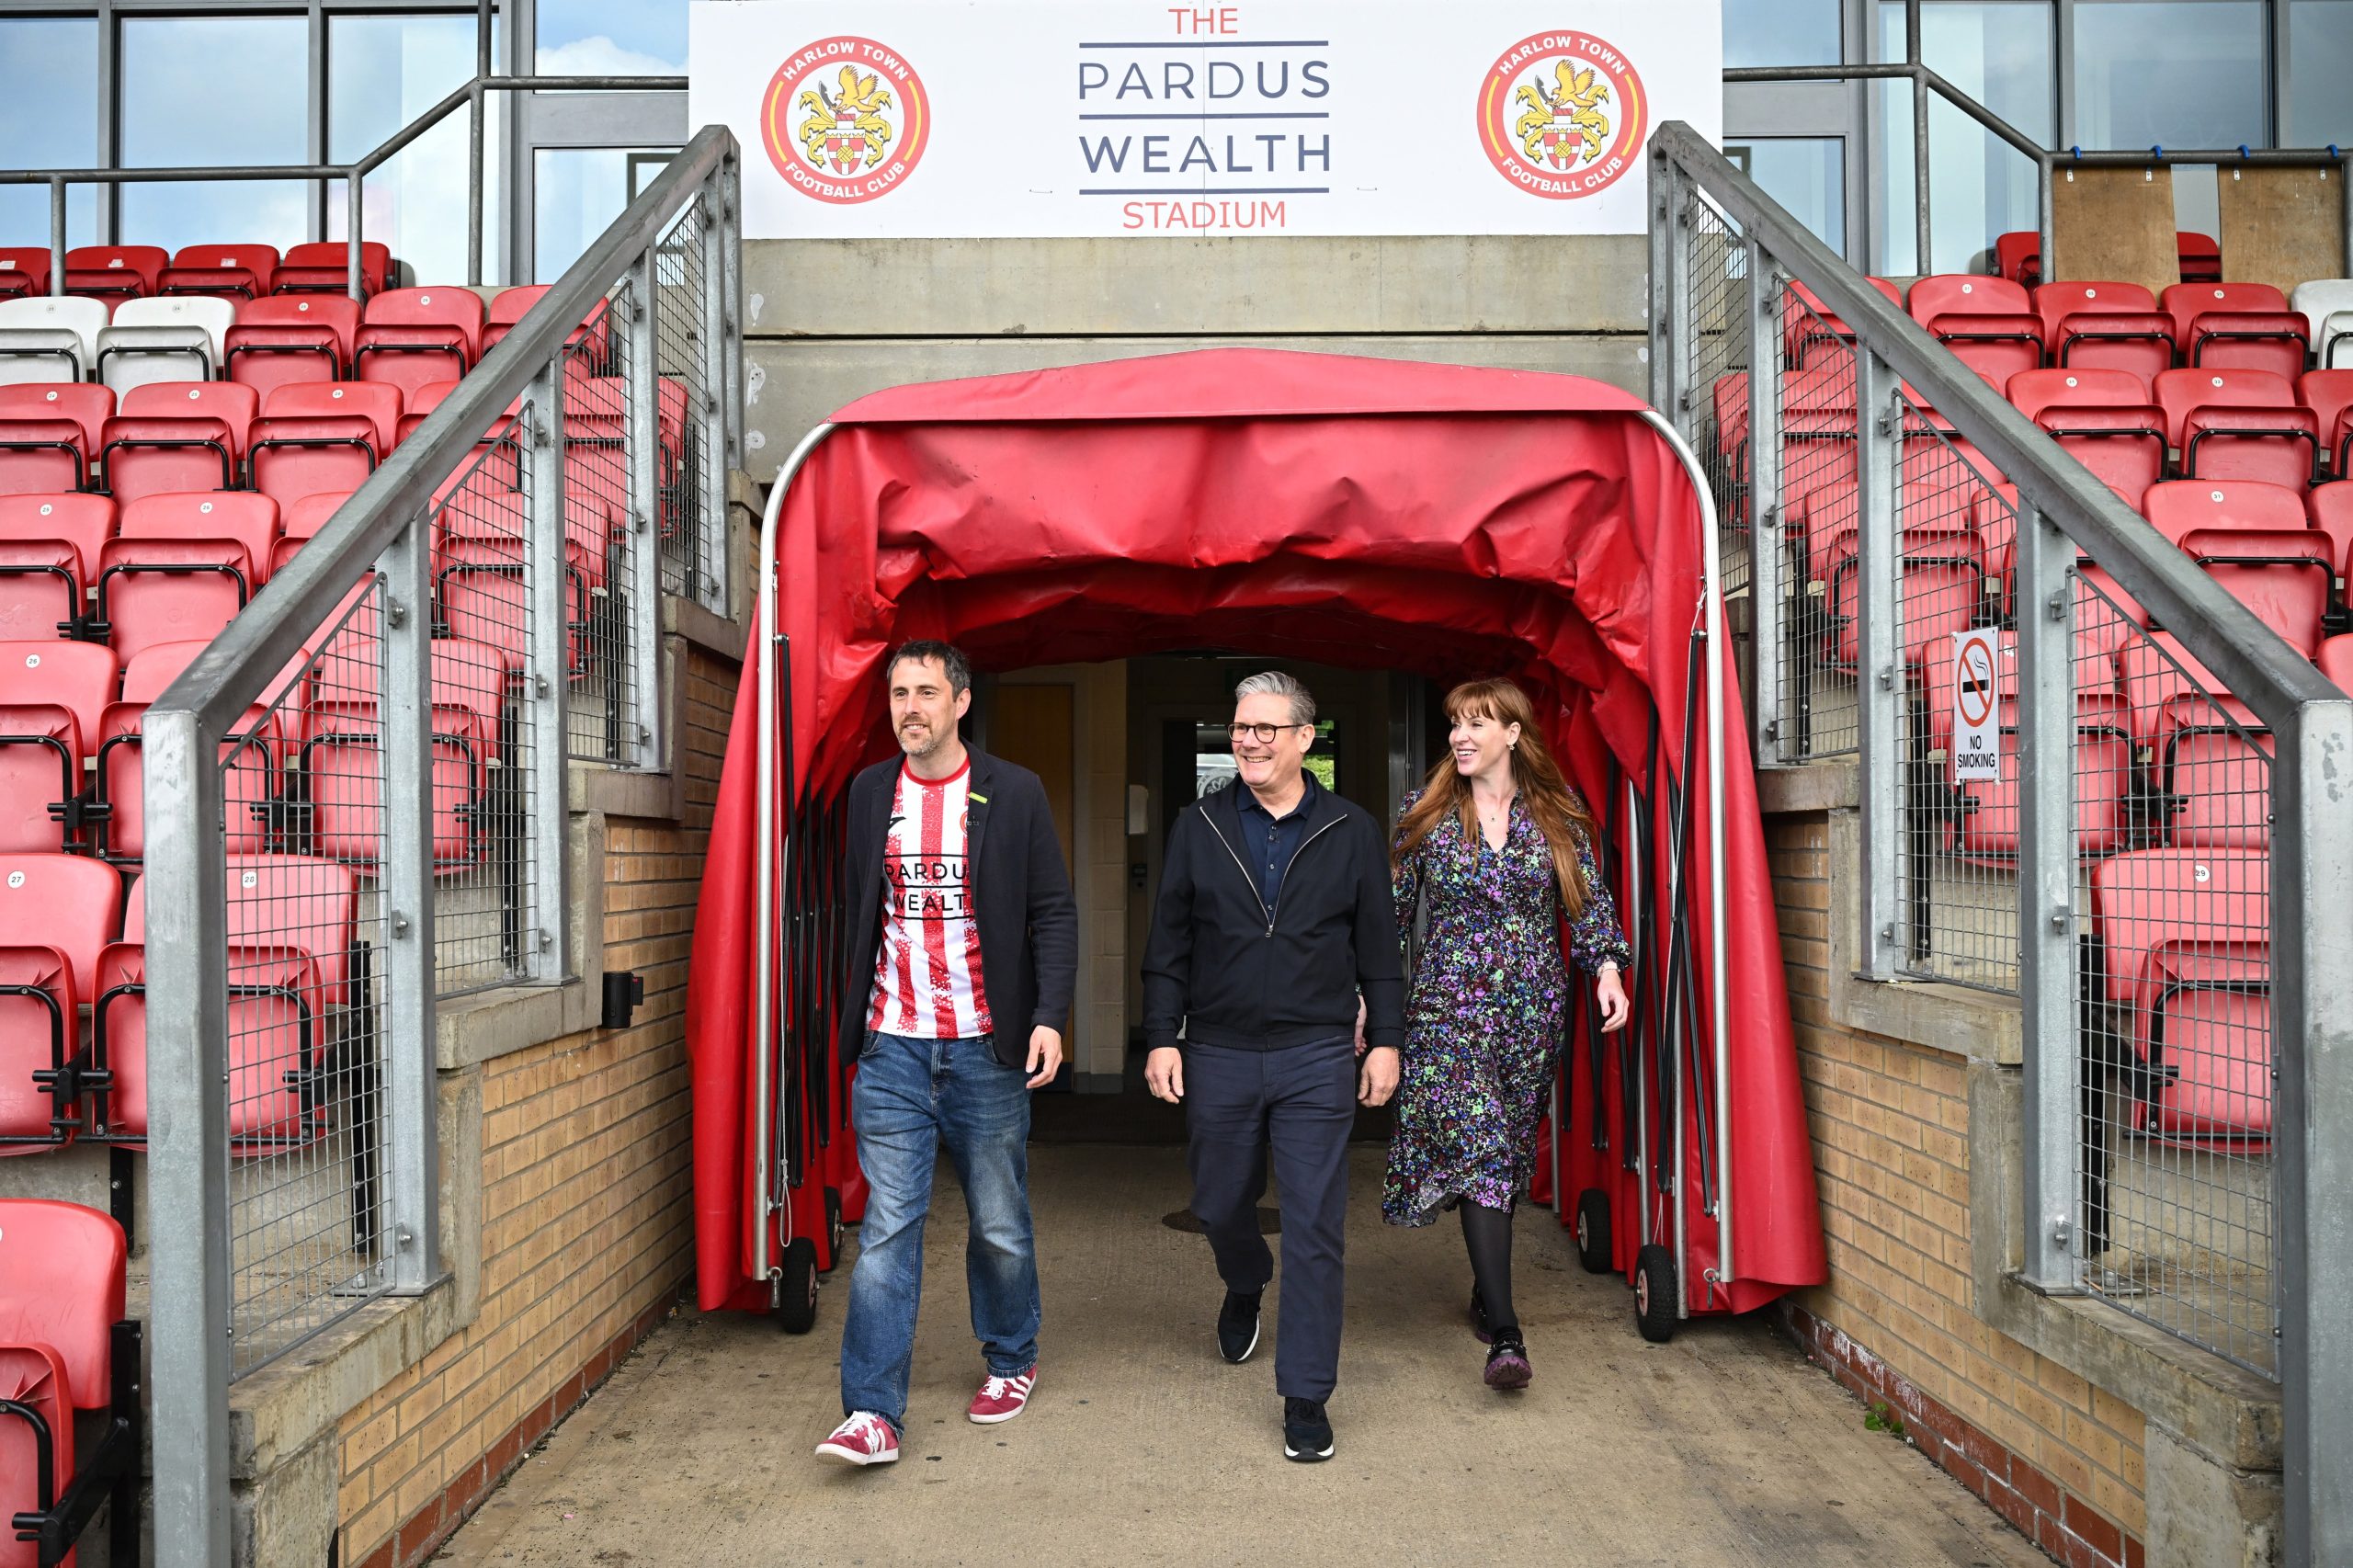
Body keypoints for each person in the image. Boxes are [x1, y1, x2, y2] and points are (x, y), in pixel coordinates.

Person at [815, 641, 1078, 1468]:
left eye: (926, 692)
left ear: (961, 703)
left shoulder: (1015, 793)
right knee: (889, 1228)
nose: (910, 709)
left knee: (999, 1223)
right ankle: (872, 1413)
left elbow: (1054, 913)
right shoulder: (867, 795)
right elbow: (857, 913)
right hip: (893, 1047)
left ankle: (1011, 1357)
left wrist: (1047, 1016)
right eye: (898, 694)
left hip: (984, 1051)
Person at [1142, 670, 1404, 1463]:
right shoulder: (1200, 824)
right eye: (1240, 728)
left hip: (1316, 1051)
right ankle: (1245, 1277)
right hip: (1218, 1047)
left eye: (1264, 729)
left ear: (1302, 740)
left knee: (1318, 1225)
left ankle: (1306, 1395)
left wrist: (1385, 1036)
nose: (1247, 741)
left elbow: (1378, 950)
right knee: (1220, 1203)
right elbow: (1169, 942)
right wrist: (1161, 1035)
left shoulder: (1351, 829)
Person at [1382, 676, 1631, 1390]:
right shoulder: (1425, 813)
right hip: (1448, 1009)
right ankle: (1508, 1336)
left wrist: (1607, 967)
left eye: (1476, 724)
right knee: (1485, 1147)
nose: (1460, 736)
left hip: (1531, 1011)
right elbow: (1391, 919)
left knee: (1509, 1152)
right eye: (1455, 723)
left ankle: (1484, 1291)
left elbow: (1588, 903)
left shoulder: (1557, 814)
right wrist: (1371, 1001)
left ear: (1513, 734)